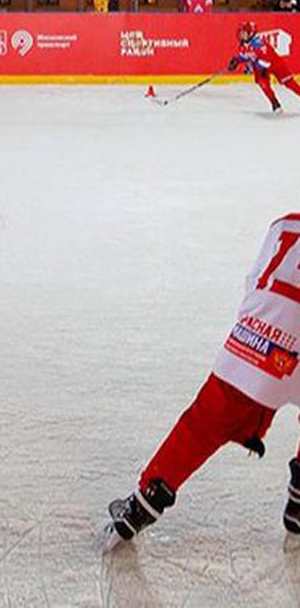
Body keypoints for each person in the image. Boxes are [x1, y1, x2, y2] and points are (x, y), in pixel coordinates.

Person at [105, 209, 300, 548]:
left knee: (202, 425)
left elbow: (254, 282)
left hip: (255, 344)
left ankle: (145, 501)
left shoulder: (284, 224)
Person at [228, 20, 300, 112]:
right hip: (261, 66)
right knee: (262, 82)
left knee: (289, 83)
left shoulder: (259, 43)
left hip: (275, 64)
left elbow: (266, 60)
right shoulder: (243, 45)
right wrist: (237, 60)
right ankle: (275, 104)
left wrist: (250, 68)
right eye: (240, 32)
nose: (241, 35)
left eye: (243, 33)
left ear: (250, 33)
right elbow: (247, 56)